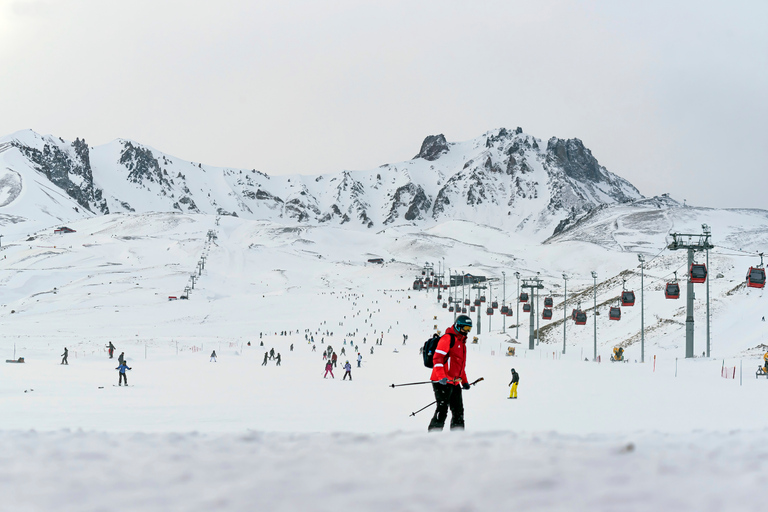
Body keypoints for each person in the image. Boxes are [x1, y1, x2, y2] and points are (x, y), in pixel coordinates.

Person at [428, 315, 472, 432]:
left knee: (458, 411)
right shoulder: (447, 339)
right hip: (441, 381)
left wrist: (465, 381)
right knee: (442, 409)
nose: (467, 332)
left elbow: (460, 366)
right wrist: (442, 377)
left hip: (455, 382)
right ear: (458, 326)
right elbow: (437, 359)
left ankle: (457, 438)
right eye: (465, 328)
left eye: (469, 329)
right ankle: (433, 437)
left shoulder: (462, 343)